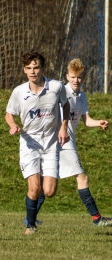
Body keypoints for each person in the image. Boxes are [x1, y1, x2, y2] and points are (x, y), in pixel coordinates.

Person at [31, 58, 112, 227]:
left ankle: (30, 219)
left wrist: (99, 123)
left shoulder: (82, 96)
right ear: (67, 76)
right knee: (82, 177)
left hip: (67, 140)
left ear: (83, 78)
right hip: (62, 141)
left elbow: (86, 120)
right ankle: (97, 219)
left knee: (48, 181)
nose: (76, 81)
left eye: (80, 77)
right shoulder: (62, 92)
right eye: (73, 77)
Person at [5, 50, 70, 235]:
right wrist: (12, 125)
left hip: (50, 145)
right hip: (29, 144)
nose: (33, 71)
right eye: (28, 68)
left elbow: (65, 105)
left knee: (49, 191)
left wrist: (63, 126)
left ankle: (32, 212)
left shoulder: (56, 87)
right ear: (24, 70)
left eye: (36, 67)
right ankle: (30, 226)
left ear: (42, 68)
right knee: (34, 187)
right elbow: (9, 114)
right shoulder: (19, 92)